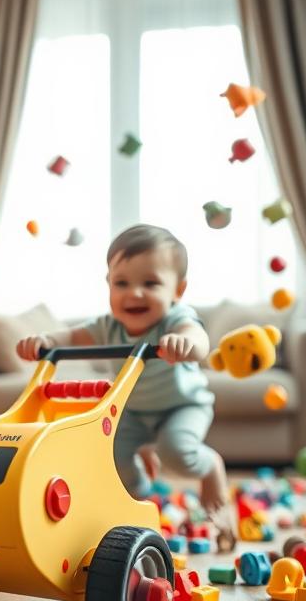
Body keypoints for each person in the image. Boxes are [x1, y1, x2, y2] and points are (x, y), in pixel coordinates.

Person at [16, 222, 230, 522]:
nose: (135, 293)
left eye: (151, 283)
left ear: (178, 290)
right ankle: (143, 498)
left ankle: (211, 466)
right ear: (109, 285)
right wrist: (46, 341)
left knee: (177, 452)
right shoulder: (107, 326)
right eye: (122, 283)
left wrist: (186, 343)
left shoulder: (175, 320)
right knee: (110, 453)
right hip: (132, 410)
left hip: (181, 406)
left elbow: (199, 341)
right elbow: (71, 337)